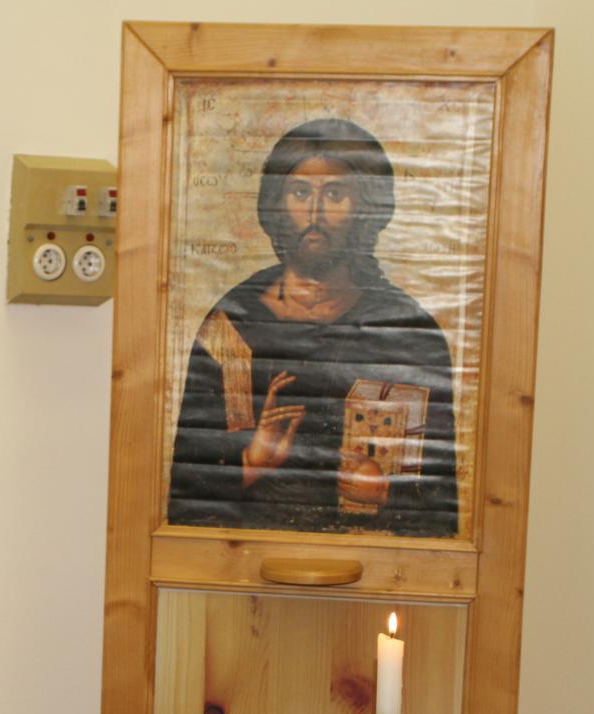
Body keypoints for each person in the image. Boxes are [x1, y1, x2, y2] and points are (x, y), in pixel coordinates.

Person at [168, 118, 459, 537]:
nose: (314, 213)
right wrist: (249, 464)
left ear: (365, 208)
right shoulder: (231, 328)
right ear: (277, 204)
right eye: (300, 192)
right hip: (247, 561)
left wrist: (384, 494)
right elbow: (185, 496)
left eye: (335, 194)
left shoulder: (408, 333)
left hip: (370, 564)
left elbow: (442, 508)